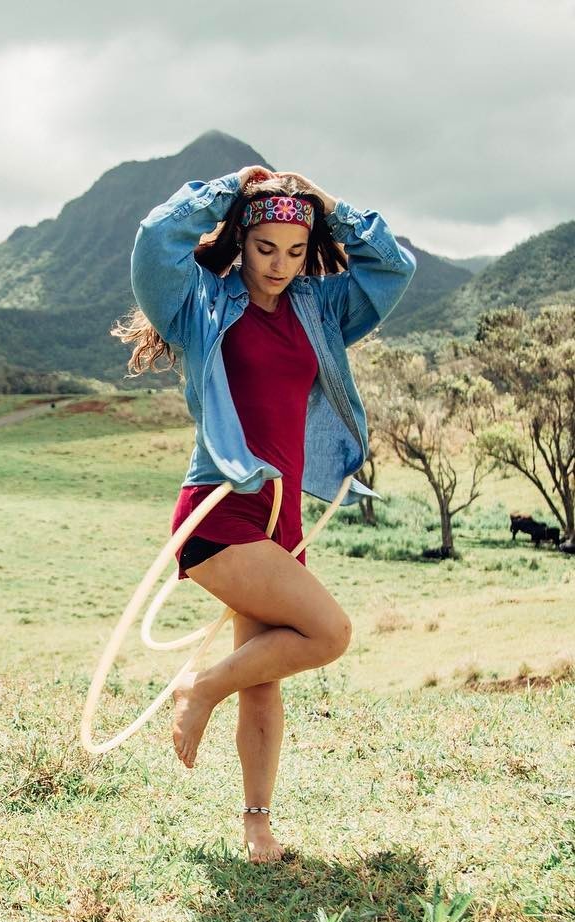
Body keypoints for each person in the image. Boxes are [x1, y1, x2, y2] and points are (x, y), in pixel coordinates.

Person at [113, 165, 415, 863]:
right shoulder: (199, 304)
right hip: (220, 511)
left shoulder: (319, 309)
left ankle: (258, 827)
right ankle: (199, 687)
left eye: (296, 251)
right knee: (330, 632)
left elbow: (393, 267)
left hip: (284, 519)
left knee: (263, 676)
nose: (280, 265)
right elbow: (154, 240)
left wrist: (325, 202)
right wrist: (227, 189)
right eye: (265, 248)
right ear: (241, 243)